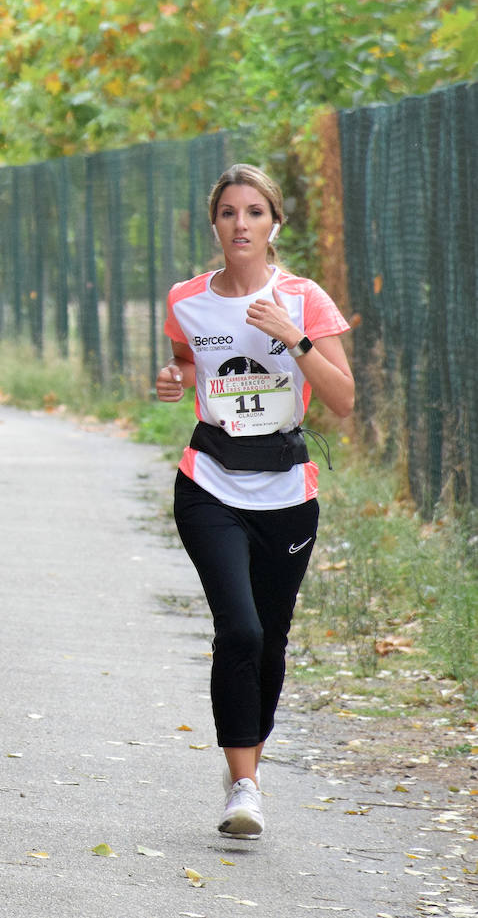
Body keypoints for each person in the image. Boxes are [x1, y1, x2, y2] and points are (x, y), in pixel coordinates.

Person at [155, 163, 354, 840]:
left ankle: (247, 761)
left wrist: (292, 337)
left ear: (274, 224)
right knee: (237, 629)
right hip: (209, 480)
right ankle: (245, 784)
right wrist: (174, 376)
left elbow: (344, 400)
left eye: (255, 213)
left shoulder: (303, 297)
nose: (241, 224)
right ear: (215, 223)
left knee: (270, 639)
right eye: (229, 213)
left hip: (287, 490)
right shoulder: (186, 298)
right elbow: (188, 360)